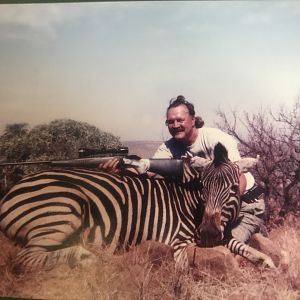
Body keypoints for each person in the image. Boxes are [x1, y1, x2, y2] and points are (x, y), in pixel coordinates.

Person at [152, 95, 266, 243]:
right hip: (210, 208)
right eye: (170, 122)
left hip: (245, 203)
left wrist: (225, 214)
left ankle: (256, 236)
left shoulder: (216, 139)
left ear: (193, 120)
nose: (175, 125)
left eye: (180, 120)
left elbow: (239, 178)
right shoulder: (168, 147)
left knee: (224, 247)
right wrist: (122, 165)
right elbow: (150, 168)